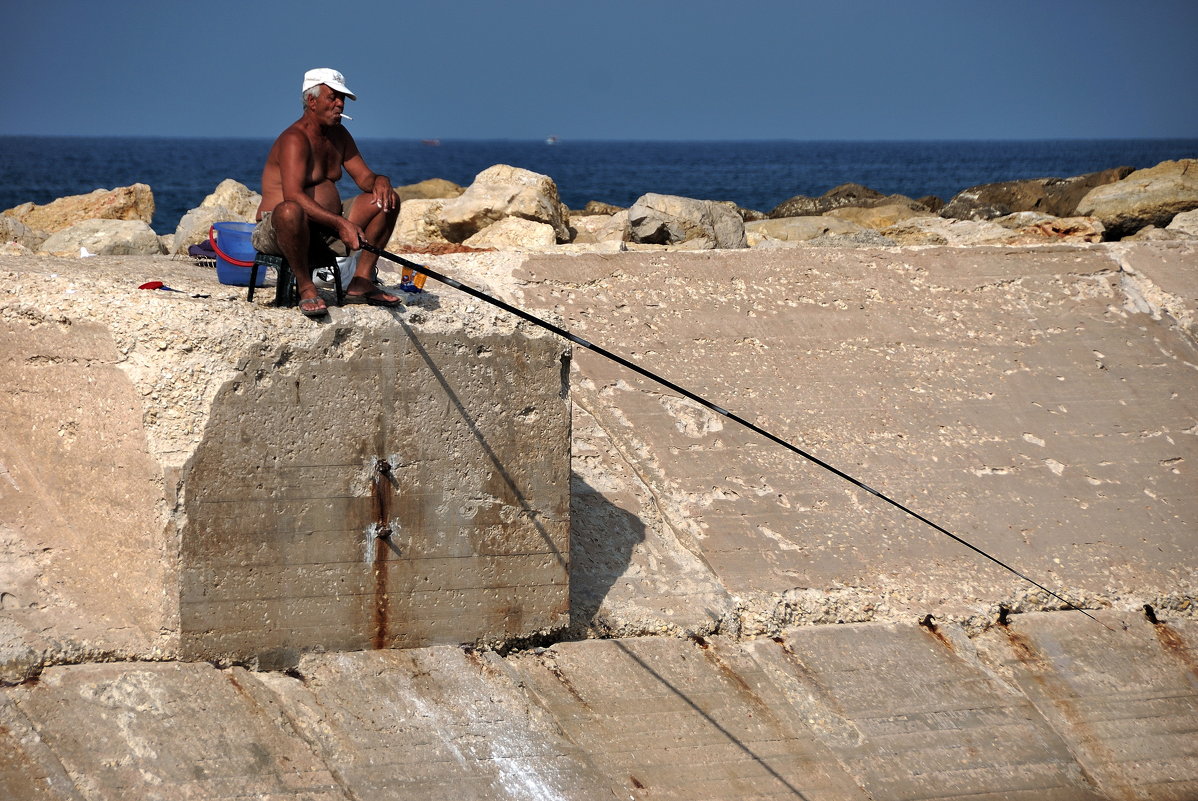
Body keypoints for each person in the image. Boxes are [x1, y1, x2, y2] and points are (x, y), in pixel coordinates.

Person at [253, 68, 402, 317]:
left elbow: (365, 178)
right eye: (332, 97)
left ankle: (361, 281)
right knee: (290, 210)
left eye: (342, 99)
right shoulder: (294, 138)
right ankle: (306, 286)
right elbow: (293, 196)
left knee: (387, 201)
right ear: (312, 101)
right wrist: (340, 223)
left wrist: (381, 180)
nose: (339, 104)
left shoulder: (339, 135)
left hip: (324, 231)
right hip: (281, 230)